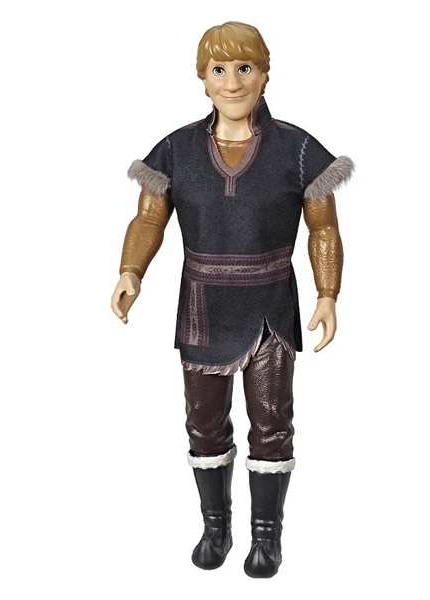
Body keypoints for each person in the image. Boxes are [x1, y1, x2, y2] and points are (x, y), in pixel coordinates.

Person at [111, 21, 354, 578]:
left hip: (271, 309)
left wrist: (328, 292)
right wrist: (130, 271)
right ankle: (215, 528)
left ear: (265, 74)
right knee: (203, 423)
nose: (233, 81)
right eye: (219, 69)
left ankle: (267, 538)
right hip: (203, 306)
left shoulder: (297, 149)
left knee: (271, 422)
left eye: (245, 68)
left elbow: (323, 228)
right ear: (202, 78)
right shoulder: (176, 150)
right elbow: (148, 219)